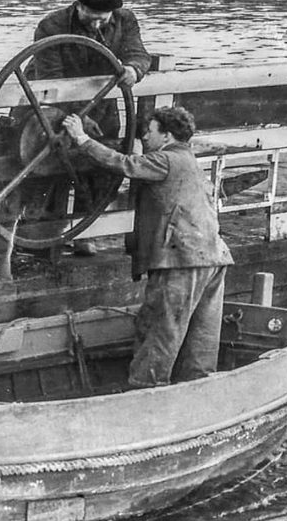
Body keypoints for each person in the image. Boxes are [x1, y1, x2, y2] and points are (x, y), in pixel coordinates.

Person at [63, 107, 234, 388]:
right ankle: (197, 394)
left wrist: (82, 139)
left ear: (166, 135)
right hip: (214, 257)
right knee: (201, 339)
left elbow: (125, 164)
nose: (143, 136)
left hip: (183, 259)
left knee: (161, 330)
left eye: (149, 131)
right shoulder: (189, 161)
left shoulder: (166, 159)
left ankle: (145, 393)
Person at [26, 0, 152, 255]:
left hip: (102, 105)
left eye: (102, 19)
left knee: (101, 166)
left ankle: (85, 232)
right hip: (52, 106)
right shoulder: (52, 26)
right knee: (50, 166)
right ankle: (44, 235)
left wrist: (133, 68)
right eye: (90, 17)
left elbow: (138, 53)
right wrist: (79, 117)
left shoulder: (125, 19)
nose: (96, 24)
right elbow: (53, 77)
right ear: (78, 6)